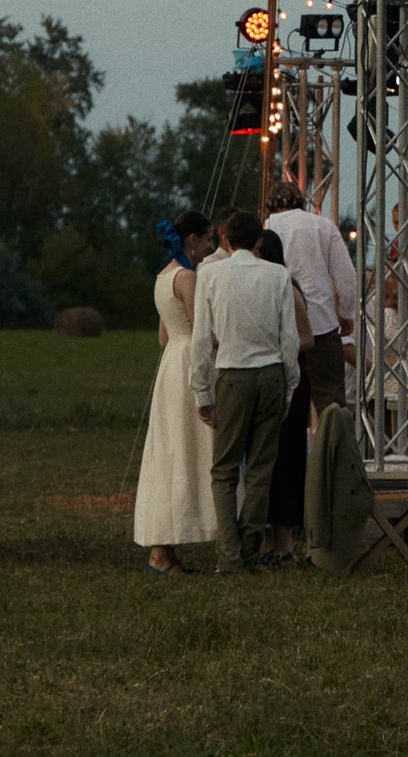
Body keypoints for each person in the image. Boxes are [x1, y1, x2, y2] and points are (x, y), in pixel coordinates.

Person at [189, 208, 302, 574]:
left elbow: (201, 339)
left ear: (224, 238)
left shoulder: (209, 273)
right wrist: (289, 389)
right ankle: (249, 548)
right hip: (270, 374)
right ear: (258, 240)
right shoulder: (278, 275)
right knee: (260, 469)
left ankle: (230, 555)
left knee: (224, 470)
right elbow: (290, 340)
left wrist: (203, 394)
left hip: (232, 374)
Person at [136, 214, 219, 573]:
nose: (212, 247)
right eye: (208, 240)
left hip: (171, 363)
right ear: (192, 241)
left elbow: (163, 337)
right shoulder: (188, 278)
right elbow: (202, 333)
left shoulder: (163, 277)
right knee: (194, 449)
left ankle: (162, 549)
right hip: (190, 362)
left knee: (169, 451)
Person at [262, 180, 357, 409]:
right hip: (321, 326)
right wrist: (346, 313)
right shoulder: (324, 226)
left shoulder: (265, 229)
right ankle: (332, 444)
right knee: (330, 403)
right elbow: (347, 278)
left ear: (270, 206)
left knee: (285, 406)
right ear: (302, 203)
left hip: (278, 327)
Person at [255, 228, 317, 567]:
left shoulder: (289, 290)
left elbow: (307, 339)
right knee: (271, 461)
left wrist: (279, 348)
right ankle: (271, 539)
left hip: (293, 381)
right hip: (274, 378)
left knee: (287, 459)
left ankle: (286, 542)